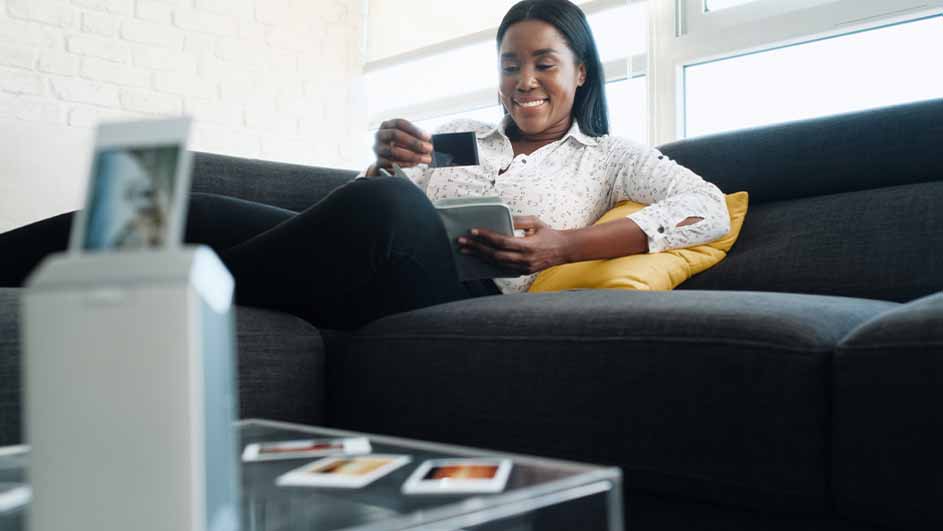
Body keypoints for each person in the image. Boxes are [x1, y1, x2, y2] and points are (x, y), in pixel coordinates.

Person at [0, 0, 728, 330]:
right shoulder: (463, 136)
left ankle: (169, 286)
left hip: (458, 295)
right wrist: (383, 165)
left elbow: (708, 208)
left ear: (581, 73)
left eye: (544, 63)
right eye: (510, 65)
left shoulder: (609, 157)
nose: (524, 80)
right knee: (189, 206)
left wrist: (563, 246)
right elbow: (359, 215)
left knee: (394, 208)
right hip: (366, 267)